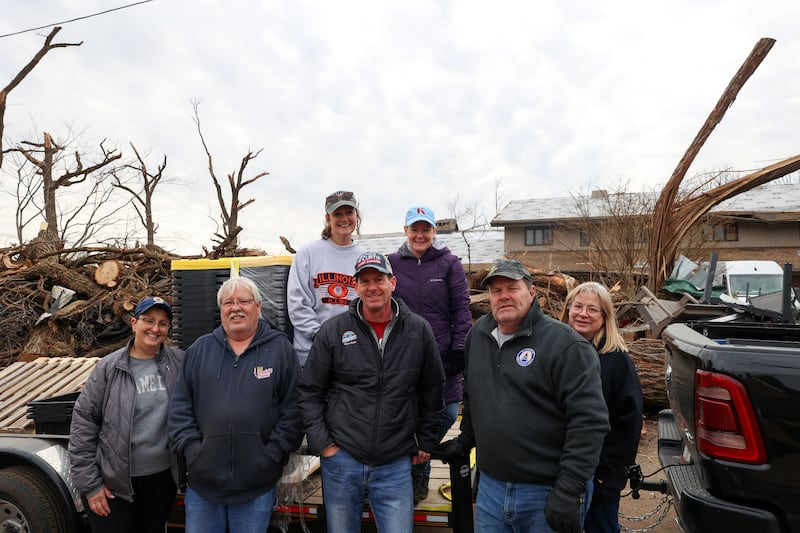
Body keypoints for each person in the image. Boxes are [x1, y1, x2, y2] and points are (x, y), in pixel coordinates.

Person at [439, 259, 610, 533]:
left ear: (531, 293)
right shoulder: (477, 337)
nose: (504, 296)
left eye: (512, 288)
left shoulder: (565, 346)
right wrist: (467, 438)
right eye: (496, 291)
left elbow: (589, 422)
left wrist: (568, 488)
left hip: (545, 490)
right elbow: (474, 395)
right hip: (491, 489)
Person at [298, 251, 445, 533]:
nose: (372, 287)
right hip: (342, 460)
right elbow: (309, 391)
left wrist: (426, 440)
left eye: (379, 278)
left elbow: (432, 390)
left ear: (393, 282)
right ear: (356, 287)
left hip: (395, 462)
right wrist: (324, 445)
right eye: (364, 281)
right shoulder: (333, 331)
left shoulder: (418, 330)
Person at [168, 276, 302, 533]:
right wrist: (194, 452)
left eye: (243, 301)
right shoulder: (199, 350)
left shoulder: (279, 350)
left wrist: (272, 455)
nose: (236, 307)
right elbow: (180, 410)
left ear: (258, 307)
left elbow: (294, 411)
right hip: (203, 486)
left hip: (256, 486)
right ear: (220, 309)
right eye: (228, 302)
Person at [69, 296, 184, 533]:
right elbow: (84, 425)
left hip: (160, 482)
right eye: (148, 320)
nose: (155, 328)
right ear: (134, 323)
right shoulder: (108, 368)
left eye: (163, 323)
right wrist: (91, 486)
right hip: (114, 484)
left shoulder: (179, 362)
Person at [387, 204, 471, 504]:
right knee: (407, 413)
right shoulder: (392, 262)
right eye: (414, 228)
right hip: (404, 356)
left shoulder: (449, 263)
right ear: (405, 230)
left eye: (426, 229)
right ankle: (408, 472)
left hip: (442, 354)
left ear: (434, 231)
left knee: (447, 412)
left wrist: (459, 349)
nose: (420, 234)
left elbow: (462, 309)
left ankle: (419, 463)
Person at [560, 282, 643, 533]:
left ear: (604, 317)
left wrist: (607, 473)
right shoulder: (556, 353)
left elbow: (628, 424)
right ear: (567, 311)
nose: (583, 314)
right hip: (561, 472)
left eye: (592, 309)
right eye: (578, 306)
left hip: (599, 474)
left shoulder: (617, 361)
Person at [287, 190, 365, 366]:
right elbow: (297, 303)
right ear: (328, 219)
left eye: (349, 212)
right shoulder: (307, 254)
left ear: (357, 216)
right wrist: (322, 338)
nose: (344, 218)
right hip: (311, 354)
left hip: (352, 354)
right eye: (337, 214)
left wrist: (351, 342)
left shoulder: (365, 257)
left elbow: (368, 306)